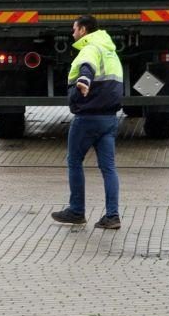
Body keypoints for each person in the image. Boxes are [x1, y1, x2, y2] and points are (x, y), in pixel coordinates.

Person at [51, 15, 124, 230]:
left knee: (74, 161)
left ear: (83, 30)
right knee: (108, 167)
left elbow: (87, 68)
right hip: (109, 118)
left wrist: (83, 83)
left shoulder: (91, 48)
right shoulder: (110, 50)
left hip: (87, 117)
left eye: (74, 29)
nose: (72, 33)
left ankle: (76, 211)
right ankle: (112, 215)